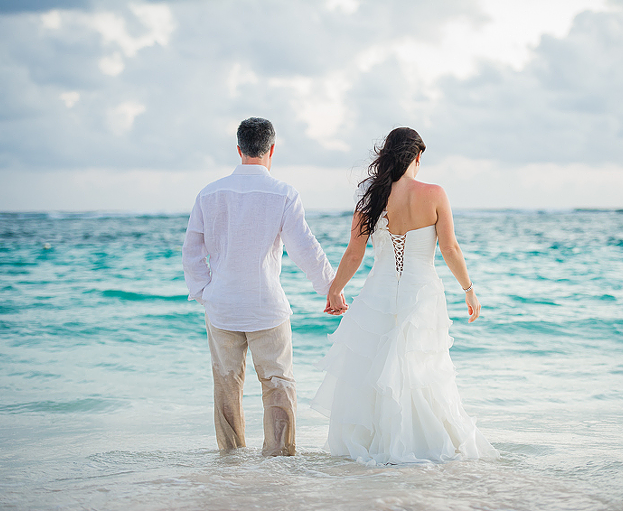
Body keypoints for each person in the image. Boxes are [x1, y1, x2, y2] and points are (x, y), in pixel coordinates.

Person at [311, 127, 498, 465]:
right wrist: (469, 290)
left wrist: (335, 289)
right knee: (420, 369)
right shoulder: (434, 193)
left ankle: (378, 448)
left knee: (374, 370)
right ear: (417, 156)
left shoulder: (371, 200)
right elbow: (450, 248)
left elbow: (354, 254)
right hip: (421, 293)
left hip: (376, 294)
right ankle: (418, 446)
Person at [182, 117, 336, 456]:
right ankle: (279, 460)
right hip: (267, 305)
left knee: (226, 385)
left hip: (221, 306)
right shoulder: (283, 193)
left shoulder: (209, 193)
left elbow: (192, 251)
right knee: (278, 384)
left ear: (239, 149)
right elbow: (305, 248)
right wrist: (329, 288)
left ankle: (231, 459)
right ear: (272, 149)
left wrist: (204, 292)